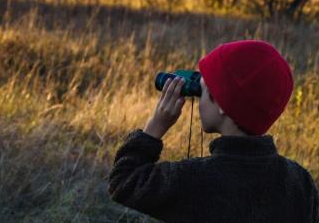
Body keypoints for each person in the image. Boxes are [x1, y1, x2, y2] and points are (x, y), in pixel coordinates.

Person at [108, 40, 319, 222]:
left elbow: (123, 182)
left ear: (221, 103)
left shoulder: (194, 180)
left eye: (204, 90)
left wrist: (156, 126)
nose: (199, 101)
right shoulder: (299, 183)